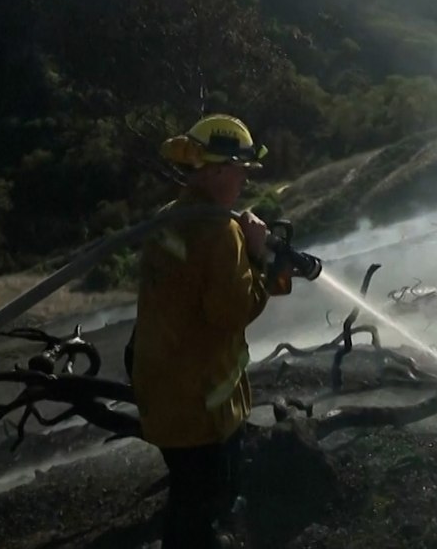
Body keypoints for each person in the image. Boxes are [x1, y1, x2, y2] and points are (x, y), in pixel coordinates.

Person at [129, 114, 287, 549]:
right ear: (218, 170)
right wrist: (257, 256)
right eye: (240, 170)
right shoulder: (220, 233)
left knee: (186, 501)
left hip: (165, 398)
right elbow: (232, 312)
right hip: (203, 409)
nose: (244, 180)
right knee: (204, 509)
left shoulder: (170, 217)